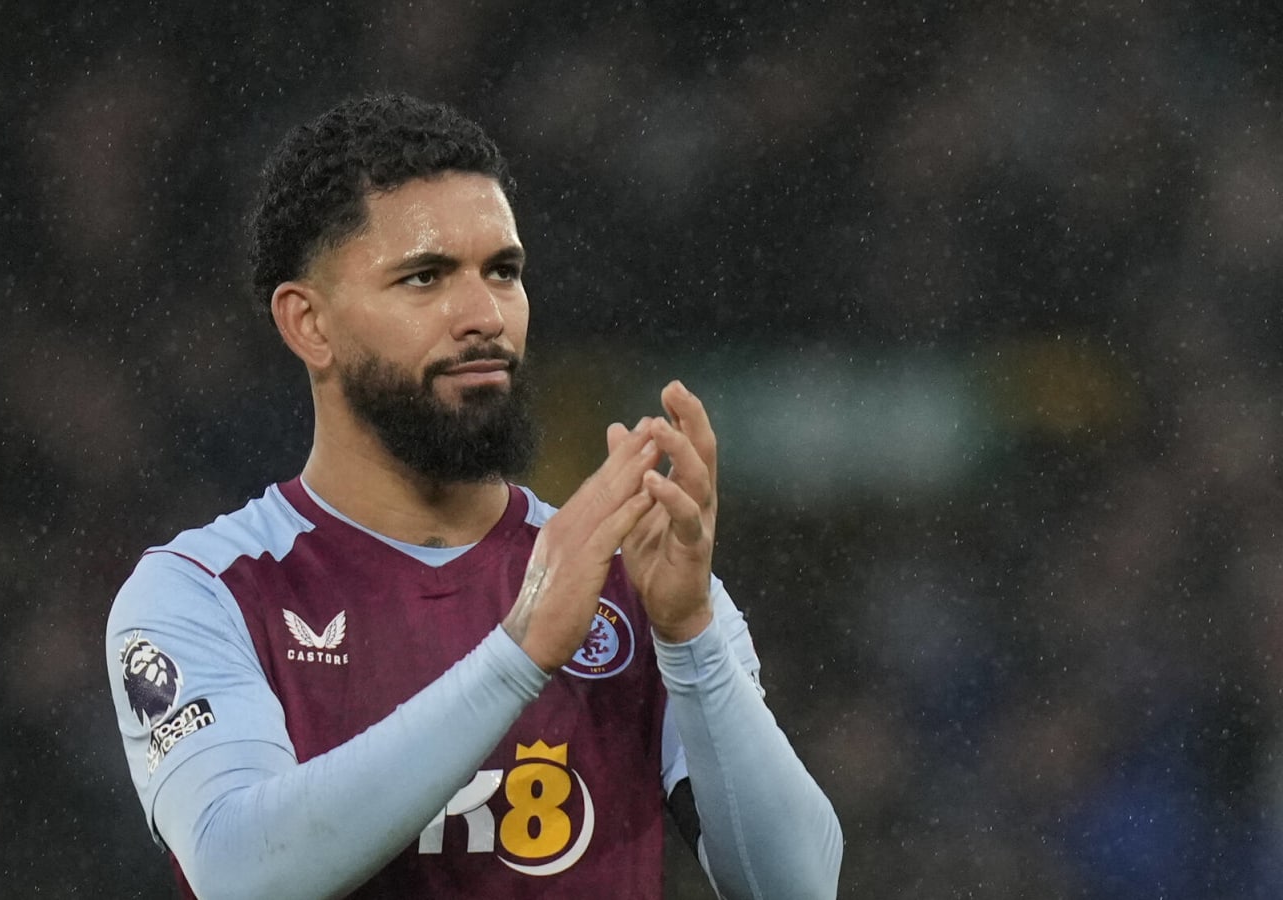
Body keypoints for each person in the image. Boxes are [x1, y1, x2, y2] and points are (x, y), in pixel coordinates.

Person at [105, 93, 842, 899]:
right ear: (307, 323)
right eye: (425, 278)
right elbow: (244, 875)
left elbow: (796, 886)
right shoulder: (203, 593)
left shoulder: (628, 575)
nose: (484, 315)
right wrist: (520, 653)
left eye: (504, 271)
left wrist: (691, 637)